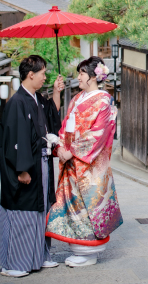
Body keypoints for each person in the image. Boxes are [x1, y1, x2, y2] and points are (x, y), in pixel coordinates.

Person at [45, 56, 123, 267]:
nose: (78, 77)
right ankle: (78, 247)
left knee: (87, 206)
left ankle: (89, 251)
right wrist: (60, 146)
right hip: (71, 161)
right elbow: (65, 126)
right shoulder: (77, 98)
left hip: (89, 165)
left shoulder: (104, 101)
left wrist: (72, 152)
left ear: (92, 77)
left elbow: (98, 134)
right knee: (72, 206)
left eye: (81, 73)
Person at [0, 55, 65, 278]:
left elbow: (51, 117)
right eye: (43, 73)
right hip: (25, 168)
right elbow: (16, 139)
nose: (45, 76)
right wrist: (21, 169)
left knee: (40, 208)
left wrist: (56, 92)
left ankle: (38, 256)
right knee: (23, 212)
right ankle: (14, 263)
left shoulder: (36, 99)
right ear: (30, 74)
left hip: (40, 164)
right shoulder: (17, 102)